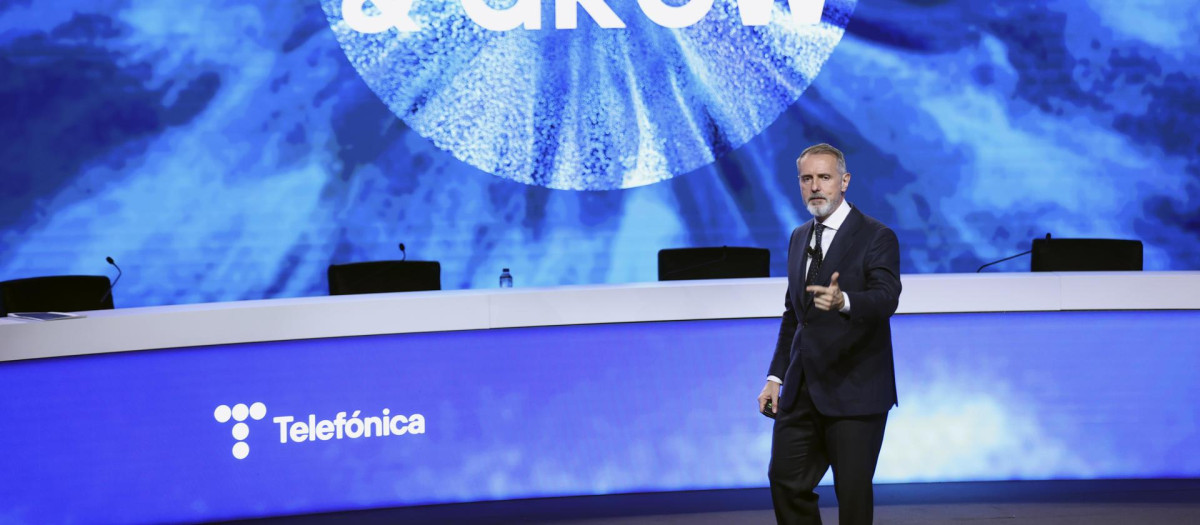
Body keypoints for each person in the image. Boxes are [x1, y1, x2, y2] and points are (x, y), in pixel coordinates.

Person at [757, 143, 901, 524]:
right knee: (785, 481)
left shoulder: (876, 236)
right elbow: (795, 315)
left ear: (844, 181)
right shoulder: (798, 236)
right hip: (802, 389)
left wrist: (845, 302)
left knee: (852, 497)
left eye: (824, 177)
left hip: (855, 390)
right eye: (807, 178)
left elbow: (887, 299)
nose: (815, 186)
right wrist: (775, 377)